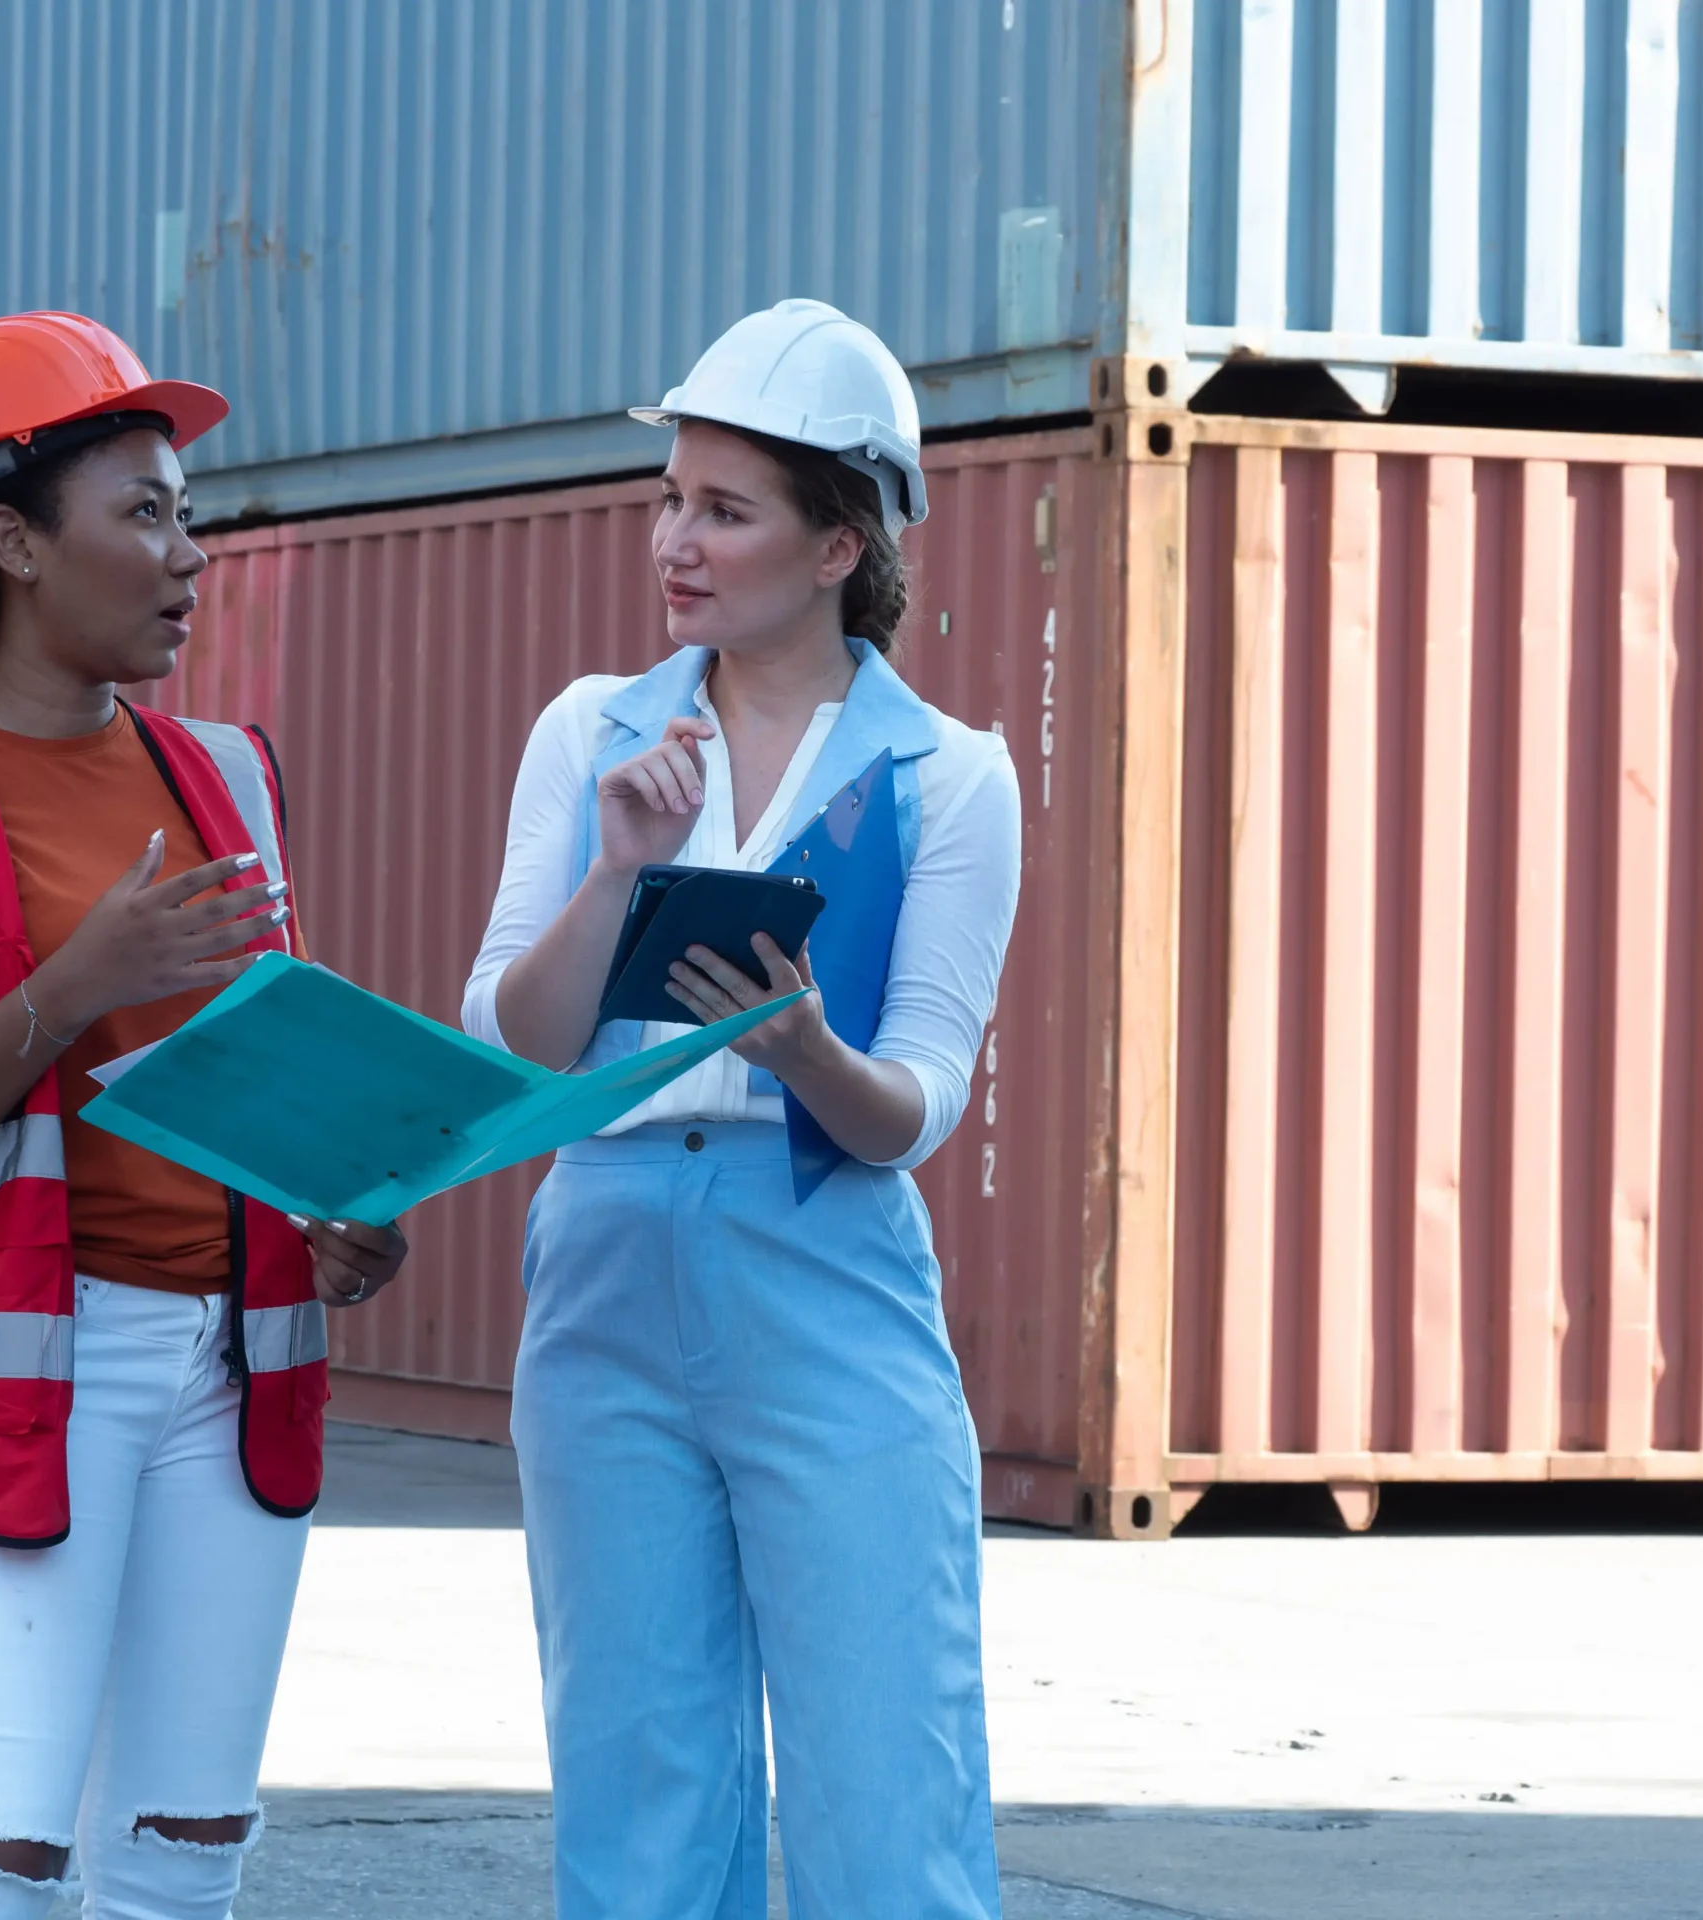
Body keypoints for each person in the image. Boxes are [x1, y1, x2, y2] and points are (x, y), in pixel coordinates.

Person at [0, 311, 407, 1919]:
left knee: (184, 1859)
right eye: (146, 511)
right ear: (15, 541)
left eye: (189, 513)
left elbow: (266, 1081)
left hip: (240, 1360)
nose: (190, 555)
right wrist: (73, 985)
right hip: (26, 1369)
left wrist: (349, 1207)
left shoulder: (230, 778)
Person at [464, 298, 1022, 1917]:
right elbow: (510, 1040)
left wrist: (801, 1056)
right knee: (639, 1781)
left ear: (841, 540)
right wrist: (620, 874)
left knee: (883, 1783)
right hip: (605, 1264)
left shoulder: (952, 775)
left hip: (823, 1258)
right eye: (671, 502)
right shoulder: (592, 732)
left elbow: (916, 1099)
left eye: (725, 510)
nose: (674, 545)